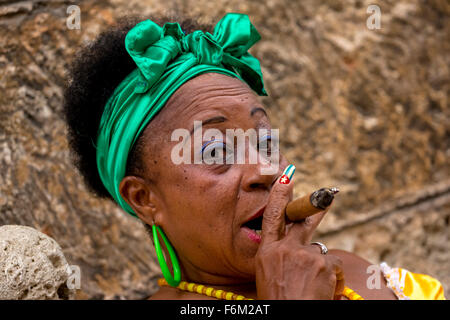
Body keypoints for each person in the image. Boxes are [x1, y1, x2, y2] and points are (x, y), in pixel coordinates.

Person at [63, 12, 445, 300]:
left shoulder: (356, 274)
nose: (265, 170)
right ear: (144, 199)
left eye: (265, 143)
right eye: (215, 150)